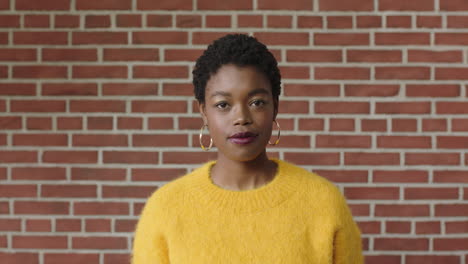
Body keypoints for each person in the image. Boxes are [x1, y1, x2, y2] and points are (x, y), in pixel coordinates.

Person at [131, 34, 364, 264]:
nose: (241, 118)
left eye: (257, 103)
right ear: (204, 111)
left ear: (275, 107)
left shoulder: (324, 202)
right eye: (223, 105)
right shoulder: (165, 209)